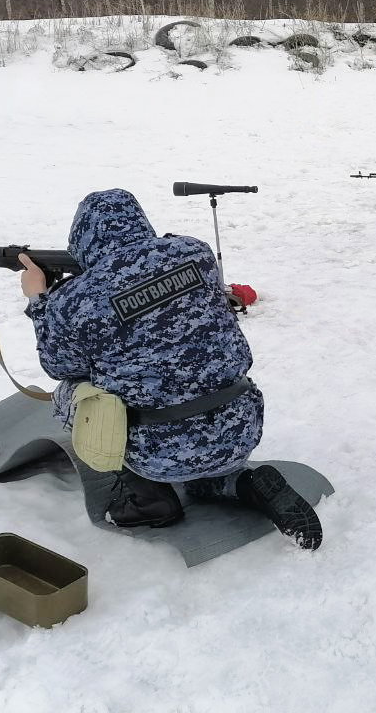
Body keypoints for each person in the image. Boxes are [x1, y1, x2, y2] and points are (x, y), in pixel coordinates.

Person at [17, 188, 321, 548]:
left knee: (70, 392)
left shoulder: (75, 300)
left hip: (155, 451)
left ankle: (148, 495)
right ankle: (240, 482)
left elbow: (59, 365)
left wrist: (40, 301)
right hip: (240, 426)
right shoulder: (197, 252)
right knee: (200, 463)